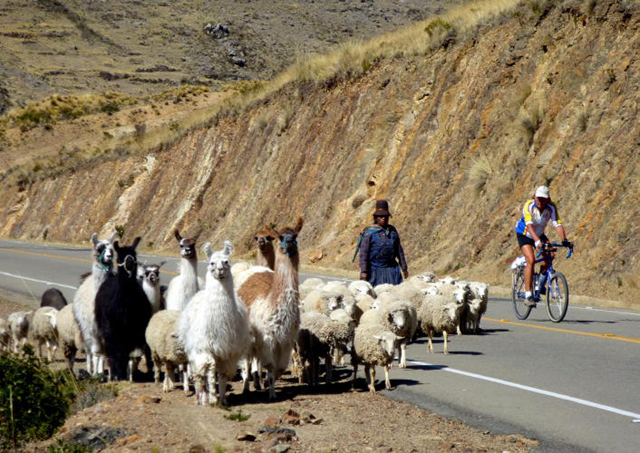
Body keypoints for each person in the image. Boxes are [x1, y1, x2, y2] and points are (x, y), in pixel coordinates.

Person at [515, 186, 572, 306]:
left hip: (539, 234)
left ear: (548, 199)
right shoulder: (529, 206)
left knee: (550, 255)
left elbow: (557, 224)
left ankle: (539, 284)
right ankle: (528, 295)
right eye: (538, 198)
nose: (540, 201)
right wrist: (536, 241)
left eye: (543, 198)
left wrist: (564, 240)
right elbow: (529, 226)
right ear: (535, 197)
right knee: (531, 260)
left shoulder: (551, 208)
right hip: (524, 233)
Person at [359, 199, 408, 286]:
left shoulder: (392, 231)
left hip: (392, 270)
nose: (384, 219)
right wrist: (364, 271)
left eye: (386, 217)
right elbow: (364, 253)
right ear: (375, 218)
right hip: (374, 271)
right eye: (381, 217)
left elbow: (399, 250)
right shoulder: (369, 232)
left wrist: (404, 268)